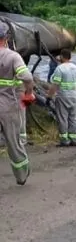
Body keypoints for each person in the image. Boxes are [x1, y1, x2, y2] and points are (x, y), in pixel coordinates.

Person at [0, 21, 34, 185]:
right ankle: (21, 175)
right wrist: (29, 93)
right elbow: (27, 77)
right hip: (8, 106)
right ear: (6, 37)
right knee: (13, 143)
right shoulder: (12, 56)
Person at [47, 49, 76, 147]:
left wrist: (49, 96)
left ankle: (64, 140)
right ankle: (74, 139)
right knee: (73, 117)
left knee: (62, 118)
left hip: (62, 96)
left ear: (61, 56)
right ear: (70, 57)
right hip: (73, 95)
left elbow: (55, 84)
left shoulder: (60, 69)